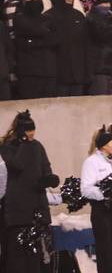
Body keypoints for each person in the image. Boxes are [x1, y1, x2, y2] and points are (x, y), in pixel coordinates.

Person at [0, 110, 59, 271]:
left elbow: (46, 168)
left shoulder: (38, 146)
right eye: (28, 130)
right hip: (17, 210)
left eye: (33, 130)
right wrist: (24, 144)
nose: (32, 133)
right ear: (21, 131)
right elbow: (17, 165)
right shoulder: (7, 147)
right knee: (18, 257)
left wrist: (49, 179)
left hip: (37, 207)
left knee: (39, 255)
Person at [80, 127, 112, 273]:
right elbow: (86, 189)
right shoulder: (91, 162)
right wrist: (106, 193)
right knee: (106, 250)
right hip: (102, 211)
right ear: (104, 146)